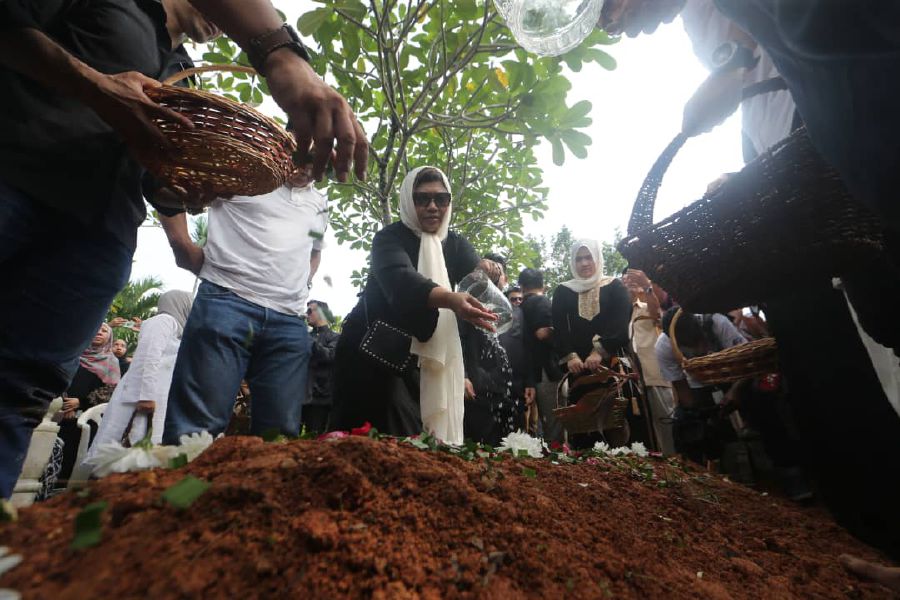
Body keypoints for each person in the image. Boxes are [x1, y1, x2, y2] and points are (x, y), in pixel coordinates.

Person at [0, 0, 369, 502]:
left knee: (19, 398)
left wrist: (182, 189)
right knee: (193, 432)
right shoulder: (115, 7)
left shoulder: (185, 78)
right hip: (17, 185)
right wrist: (96, 86)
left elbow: (160, 182)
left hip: (96, 239)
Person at [160, 161, 327, 442]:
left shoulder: (319, 203)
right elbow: (169, 184)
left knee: (278, 436)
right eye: (302, 155)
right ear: (287, 139)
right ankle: (182, 488)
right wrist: (181, 244)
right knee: (196, 430)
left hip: (288, 321)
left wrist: (302, 284)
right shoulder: (242, 170)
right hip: (226, 302)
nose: (308, 167)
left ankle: (252, 488)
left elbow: (314, 250)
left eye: (317, 159)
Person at [331, 167, 497, 443]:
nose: (433, 207)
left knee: (421, 443)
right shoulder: (388, 238)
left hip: (418, 361)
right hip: (374, 353)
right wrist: (450, 298)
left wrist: (488, 272)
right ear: (409, 201)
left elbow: (475, 276)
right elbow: (402, 281)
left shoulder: (454, 244)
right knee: (370, 441)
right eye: (422, 199)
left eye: (441, 199)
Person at [85, 291, 192, 460]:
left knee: (145, 449)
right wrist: (146, 396)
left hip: (157, 395)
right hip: (143, 396)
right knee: (130, 445)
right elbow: (147, 358)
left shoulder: (173, 328)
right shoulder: (163, 321)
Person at [552, 241, 633, 375]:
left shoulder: (615, 286)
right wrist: (570, 356)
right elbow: (560, 329)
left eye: (589, 257)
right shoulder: (563, 291)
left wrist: (599, 351)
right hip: (577, 366)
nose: (584, 263)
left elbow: (621, 324)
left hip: (612, 361)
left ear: (597, 257)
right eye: (579, 259)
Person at [57, 323, 122, 485]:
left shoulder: (111, 362)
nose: (100, 332)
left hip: (86, 420)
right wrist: (64, 404)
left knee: (72, 457)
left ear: (110, 337)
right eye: (97, 328)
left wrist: (80, 403)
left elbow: (111, 391)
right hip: (57, 413)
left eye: (105, 330)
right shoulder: (73, 355)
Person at [461, 264, 516, 446]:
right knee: (478, 438)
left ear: (504, 278)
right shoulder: (467, 305)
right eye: (490, 272)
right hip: (476, 386)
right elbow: (458, 341)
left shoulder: (508, 309)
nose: (494, 276)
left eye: (498, 272)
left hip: (501, 387)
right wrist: (463, 376)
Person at [623, 269, 677, 455]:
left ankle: (675, 463)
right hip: (631, 382)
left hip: (654, 375)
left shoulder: (647, 307)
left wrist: (646, 287)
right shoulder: (620, 314)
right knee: (642, 430)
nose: (628, 283)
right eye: (624, 281)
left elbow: (658, 316)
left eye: (632, 280)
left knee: (666, 423)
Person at [518, 268, 563, 441]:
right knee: (555, 424)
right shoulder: (541, 301)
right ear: (543, 285)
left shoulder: (519, 307)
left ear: (521, 286)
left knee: (535, 425)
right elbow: (542, 333)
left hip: (527, 374)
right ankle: (559, 461)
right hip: (546, 371)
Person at [303, 300, 339, 434]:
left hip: (320, 399)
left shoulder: (336, 337)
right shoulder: (304, 336)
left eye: (310, 311)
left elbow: (329, 356)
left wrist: (305, 338)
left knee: (315, 438)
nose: (307, 315)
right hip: (298, 395)